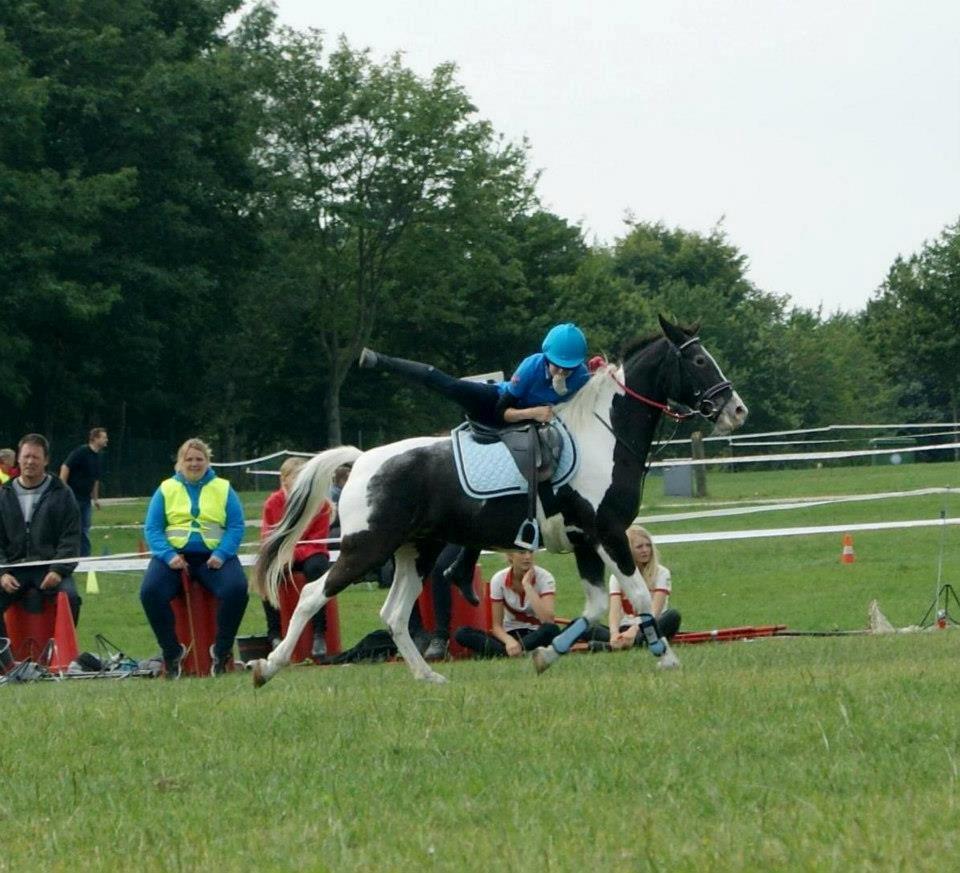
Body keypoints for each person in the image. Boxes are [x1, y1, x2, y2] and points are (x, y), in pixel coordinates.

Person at [139, 438, 248, 677]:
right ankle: (171, 651)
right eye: (189, 459)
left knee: (237, 589)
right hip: (174, 558)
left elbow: (236, 526)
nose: (194, 464)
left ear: (208, 462)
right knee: (150, 592)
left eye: (199, 459)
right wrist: (168, 556)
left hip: (215, 558)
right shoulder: (166, 489)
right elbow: (152, 529)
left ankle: (221, 649)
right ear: (179, 463)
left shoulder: (223, 488)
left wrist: (222, 553)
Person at [358, 323, 590, 428]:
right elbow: (501, 412)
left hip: (544, 424)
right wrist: (533, 413)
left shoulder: (581, 376)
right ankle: (380, 360)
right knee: (452, 386)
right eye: (556, 365)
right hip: (499, 405)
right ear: (547, 357)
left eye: (567, 367)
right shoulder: (531, 366)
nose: (561, 371)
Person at [0, 434, 82, 639]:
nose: (30, 461)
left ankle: (59, 656)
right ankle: (5, 660)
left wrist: (58, 570)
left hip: (48, 567)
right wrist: (3, 572)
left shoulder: (62, 493)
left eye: (35, 457)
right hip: (14, 567)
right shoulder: (4, 494)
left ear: (46, 460)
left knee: (70, 597)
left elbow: (71, 538)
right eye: (26, 456)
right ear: (18, 459)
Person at [260, 456, 331, 657]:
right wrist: (282, 554)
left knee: (317, 568)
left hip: (310, 554)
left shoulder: (321, 504)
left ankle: (319, 635)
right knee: (268, 572)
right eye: (296, 476)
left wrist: (293, 553)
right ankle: (274, 634)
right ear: (284, 480)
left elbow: (318, 540)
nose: (301, 481)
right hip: (282, 554)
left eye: (305, 476)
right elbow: (268, 537)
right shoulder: (272, 503)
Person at [453, 550, 560, 657]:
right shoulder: (499, 579)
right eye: (522, 552)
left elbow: (548, 620)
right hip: (508, 635)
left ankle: (503, 653)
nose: (527, 557)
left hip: (536, 634)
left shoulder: (545, 577)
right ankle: (515, 651)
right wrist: (509, 641)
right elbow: (497, 627)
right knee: (462, 633)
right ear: (510, 556)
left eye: (531, 552)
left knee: (551, 629)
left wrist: (527, 585)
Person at [600, 524, 681, 649]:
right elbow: (614, 611)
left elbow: (654, 612)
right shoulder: (617, 576)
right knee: (586, 626)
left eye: (648, 545)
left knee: (673, 616)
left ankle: (622, 644)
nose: (645, 550)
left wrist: (635, 630)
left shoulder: (662, 573)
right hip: (625, 628)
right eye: (639, 547)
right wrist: (614, 633)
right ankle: (627, 642)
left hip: (650, 625)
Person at [59, 427, 108, 557]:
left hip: (85, 499)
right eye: (104, 437)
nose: (106, 439)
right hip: (73, 497)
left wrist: (96, 499)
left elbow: (95, 480)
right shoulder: (81, 452)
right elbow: (65, 467)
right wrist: (62, 490)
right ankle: (67, 554)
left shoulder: (98, 456)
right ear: (95, 438)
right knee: (72, 528)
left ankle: (85, 558)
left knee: (85, 529)